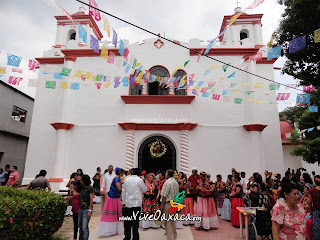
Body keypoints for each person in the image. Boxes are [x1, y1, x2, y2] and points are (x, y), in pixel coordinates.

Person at [122, 168, 147, 240]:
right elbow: (145, 190)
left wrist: (123, 202)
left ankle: (127, 237)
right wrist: (143, 180)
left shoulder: (126, 180)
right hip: (136, 204)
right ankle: (135, 238)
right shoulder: (139, 180)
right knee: (135, 223)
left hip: (128, 203)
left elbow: (123, 192)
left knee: (127, 222)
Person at [99, 167, 124, 236]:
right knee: (112, 213)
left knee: (116, 213)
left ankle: (114, 229)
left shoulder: (118, 179)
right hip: (112, 198)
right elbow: (119, 189)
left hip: (116, 197)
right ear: (120, 173)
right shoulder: (116, 179)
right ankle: (110, 230)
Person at [160, 169, 179, 240]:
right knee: (173, 220)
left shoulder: (167, 182)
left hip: (168, 203)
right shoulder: (175, 182)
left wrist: (161, 205)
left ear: (167, 174)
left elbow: (164, 195)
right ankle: (174, 236)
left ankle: (170, 237)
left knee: (167, 222)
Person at [79, 174, 94, 240]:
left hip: (87, 209)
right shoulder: (81, 187)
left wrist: (89, 210)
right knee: (80, 227)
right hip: (81, 208)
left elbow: (91, 200)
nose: (80, 181)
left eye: (81, 180)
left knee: (84, 227)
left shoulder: (90, 188)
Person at [307, 175, 320, 240]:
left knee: (316, 230)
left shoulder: (312, 190)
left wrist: (310, 210)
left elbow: (309, 202)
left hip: (316, 211)